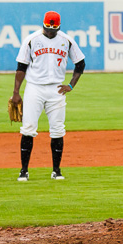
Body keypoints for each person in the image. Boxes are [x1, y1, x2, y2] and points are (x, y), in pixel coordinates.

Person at [11, 11, 86, 181]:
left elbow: (80, 63)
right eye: (48, 29)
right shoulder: (32, 39)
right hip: (34, 88)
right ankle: (24, 171)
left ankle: (56, 170)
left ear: (59, 27)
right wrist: (16, 92)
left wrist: (71, 85)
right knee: (28, 128)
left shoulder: (66, 40)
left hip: (56, 89)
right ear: (43, 25)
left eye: (54, 29)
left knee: (58, 129)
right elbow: (21, 67)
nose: (50, 32)